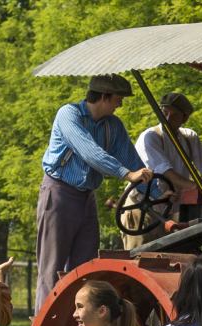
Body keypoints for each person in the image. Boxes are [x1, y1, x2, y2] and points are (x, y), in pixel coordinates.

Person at [39, 74, 155, 307]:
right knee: (51, 267)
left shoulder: (113, 126)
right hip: (59, 194)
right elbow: (90, 153)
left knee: (85, 267)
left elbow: (133, 162)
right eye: (118, 99)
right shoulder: (69, 115)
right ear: (104, 97)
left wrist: (156, 193)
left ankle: (77, 324)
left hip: (86, 197)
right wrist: (126, 174)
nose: (120, 104)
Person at [121, 92, 202, 249]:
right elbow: (165, 171)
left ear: (185, 118)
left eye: (174, 115)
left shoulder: (190, 138)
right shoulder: (150, 137)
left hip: (168, 212)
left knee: (167, 261)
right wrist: (194, 187)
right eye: (164, 112)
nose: (167, 118)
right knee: (140, 258)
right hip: (142, 209)